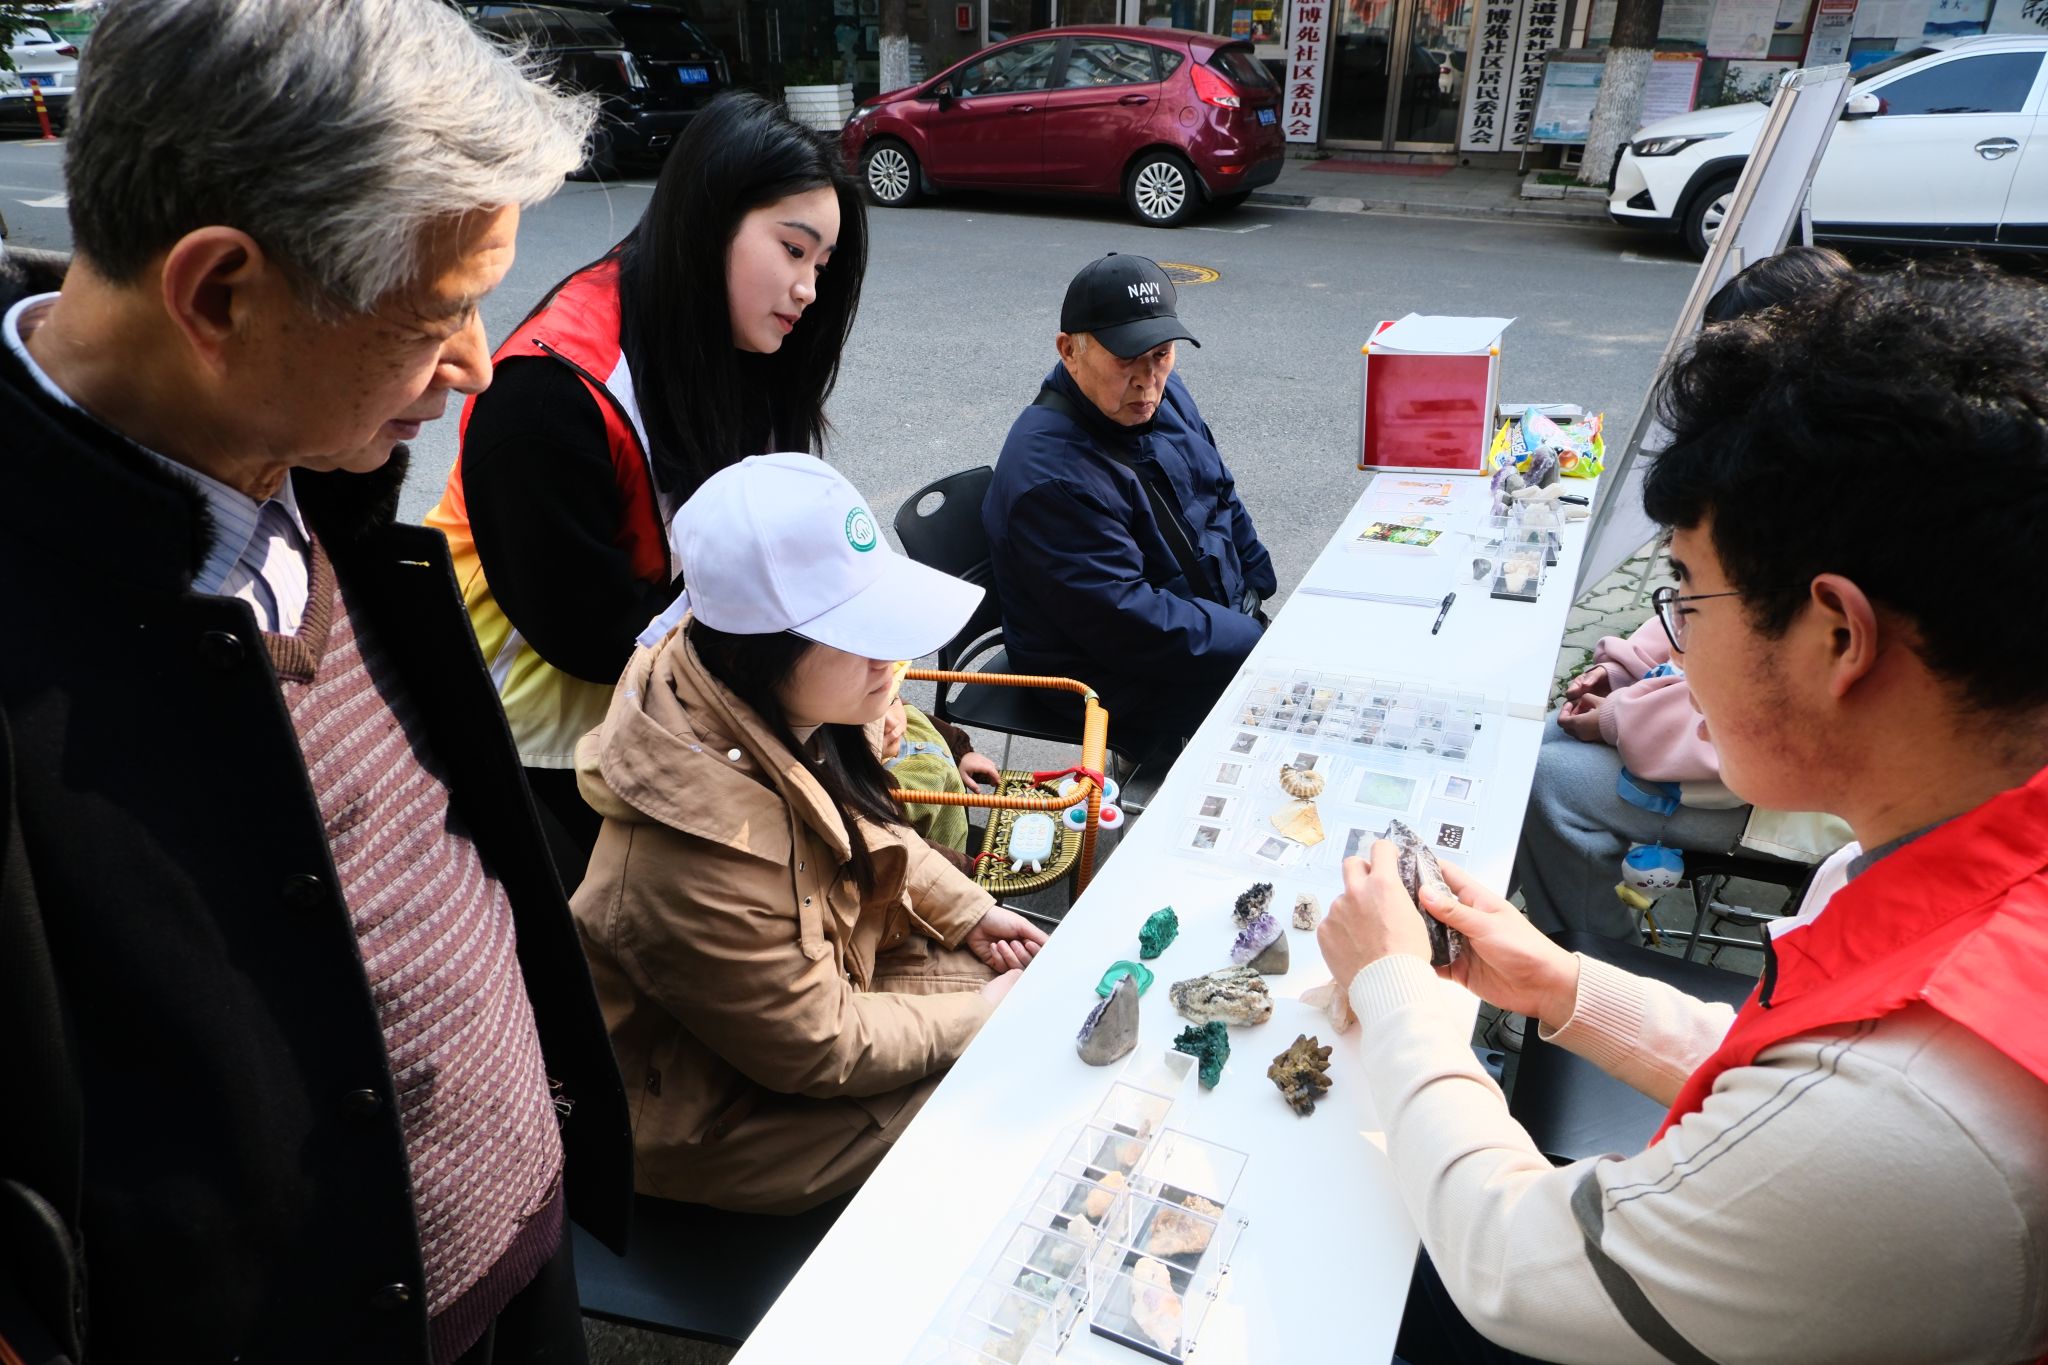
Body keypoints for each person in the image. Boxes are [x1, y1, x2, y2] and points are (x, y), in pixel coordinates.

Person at [0, 4, 631, 1363]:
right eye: (443, 312)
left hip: (522, 1262)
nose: (476, 365)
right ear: (220, 296)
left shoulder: (301, 452)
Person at [1319, 261, 2048, 1364]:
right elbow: (1778, 1076)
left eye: (1687, 596)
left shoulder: (1920, 1111)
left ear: (1836, 636)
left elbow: (1518, 1270)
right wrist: (1561, 985)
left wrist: (1392, 988)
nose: (1676, 648)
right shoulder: (1945, 864)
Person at [571, 453, 1047, 1215]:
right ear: (756, 649)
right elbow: (822, 1045)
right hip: (720, 1116)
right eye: (858, 635)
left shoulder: (760, 702)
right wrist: (984, 1011)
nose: (891, 658)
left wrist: (969, 910)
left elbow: (861, 822)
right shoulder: (691, 858)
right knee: (1010, 1078)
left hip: (828, 982)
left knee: (1040, 1008)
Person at [426, 90, 867, 882]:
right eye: (793, 250)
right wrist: (810, 686)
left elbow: (776, 551)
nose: (808, 289)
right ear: (710, 219)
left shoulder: (736, 347)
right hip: (535, 742)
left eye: (821, 266)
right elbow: (593, 636)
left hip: (657, 703)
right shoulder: (548, 397)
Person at [1513, 245, 1857, 939]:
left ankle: (1593, 957)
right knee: (1532, 746)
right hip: (1733, 737)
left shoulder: (1813, 512)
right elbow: (1698, 615)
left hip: (1788, 789)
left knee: (1546, 780)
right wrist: (1626, 668)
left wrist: (1623, 712)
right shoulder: (1797, 466)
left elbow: (1759, 711)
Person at [983, 253, 1276, 753]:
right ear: (1069, 351)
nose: (1147, 379)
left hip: (1192, 621)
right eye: (1126, 358)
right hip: (1105, 674)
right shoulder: (1051, 477)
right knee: (1282, 721)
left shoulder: (1163, 394)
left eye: (1161, 354)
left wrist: (1257, 585)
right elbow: (1131, 623)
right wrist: (1252, 642)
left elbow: (1219, 491)